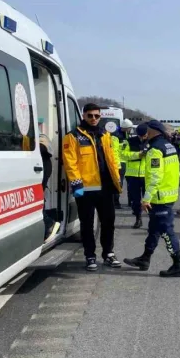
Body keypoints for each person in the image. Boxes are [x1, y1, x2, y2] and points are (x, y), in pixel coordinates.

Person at [62, 103, 123, 271]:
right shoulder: (73, 136)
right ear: (84, 116)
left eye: (97, 116)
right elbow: (70, 163)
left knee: (108, 222)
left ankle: (108, 253)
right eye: (90, 116)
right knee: (87, 225)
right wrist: (76, 184)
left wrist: (117, 178)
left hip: (106, 187)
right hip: (86, 189)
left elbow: (112, 159)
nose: (94, 119)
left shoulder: (105, 135)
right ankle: (90, 256)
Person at [124, 120, 180, 277]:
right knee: (154, 229)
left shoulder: (155, 150)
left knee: (166, 231)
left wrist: (146, 198)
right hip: (169, 194)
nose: (146, 132)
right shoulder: (169, 146)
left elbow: (154, 177)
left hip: (160, 197)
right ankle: (145, 259)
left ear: (152, 131)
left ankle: (178, 264)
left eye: (147, 130)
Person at [122, 123, 149, 229]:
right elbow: (122, 154)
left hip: (147, 175)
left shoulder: (152, 142)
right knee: (135, 200)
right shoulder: (129, 141)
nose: (143, 138)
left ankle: (152, 220)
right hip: (133, 176)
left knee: (149, 199)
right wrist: (138, 154)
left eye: (145, 135)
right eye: (141, 136)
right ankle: (138, 218)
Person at [39, 135, 60, 242]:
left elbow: (44, 147)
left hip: (42, 169)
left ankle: (49, 223)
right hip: (42, 168)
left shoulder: (41, 137)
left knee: (38, 201)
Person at [111, 119, 132, 209]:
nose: (130, 130)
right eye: (130, 128)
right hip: (119, 163)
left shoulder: (125, 134)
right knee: (118, 184)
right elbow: (114, 151)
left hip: (124, 162)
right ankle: (115, 202)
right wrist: (117, 164)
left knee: (121, 184)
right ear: (126, 128)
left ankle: (117, 201)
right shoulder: (116, 136)